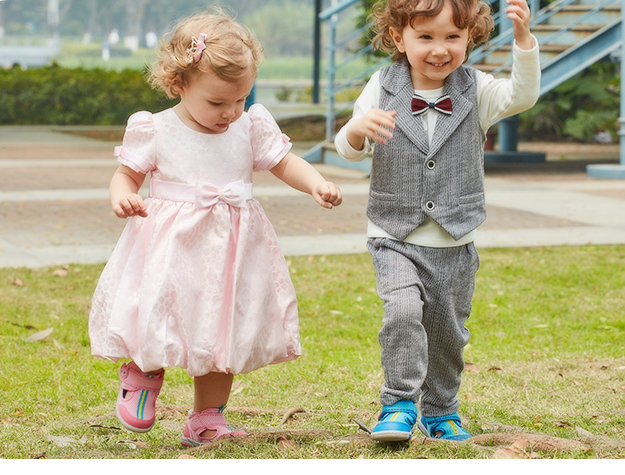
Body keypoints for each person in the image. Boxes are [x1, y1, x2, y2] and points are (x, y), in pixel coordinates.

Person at [88, 10, 343, 447]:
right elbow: (126, 175)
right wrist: (121, 196)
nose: (230, 112)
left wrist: (316, 183)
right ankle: (142, 375)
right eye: (217, 102)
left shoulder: (250, 126)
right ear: (179, 84)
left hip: (232, 250)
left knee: (221, 328)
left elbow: (284, 163)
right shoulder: (156, 128)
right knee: (162, 316)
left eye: (239, 100)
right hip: (172, 246)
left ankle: (206, 416)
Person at [334, 0, 539, 442]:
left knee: (448, 333)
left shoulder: (477, 89)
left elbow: (521, 95)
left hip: (454, 238)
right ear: (398, 38)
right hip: (393, 233)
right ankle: (398, 404)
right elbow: (347, 148)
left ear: (470, 37)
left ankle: (442, 410)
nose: (439, 49)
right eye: (425, 37)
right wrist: (357, 129)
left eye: (451, 37)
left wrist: (523, 42)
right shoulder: (381, 86)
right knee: (402, 313)